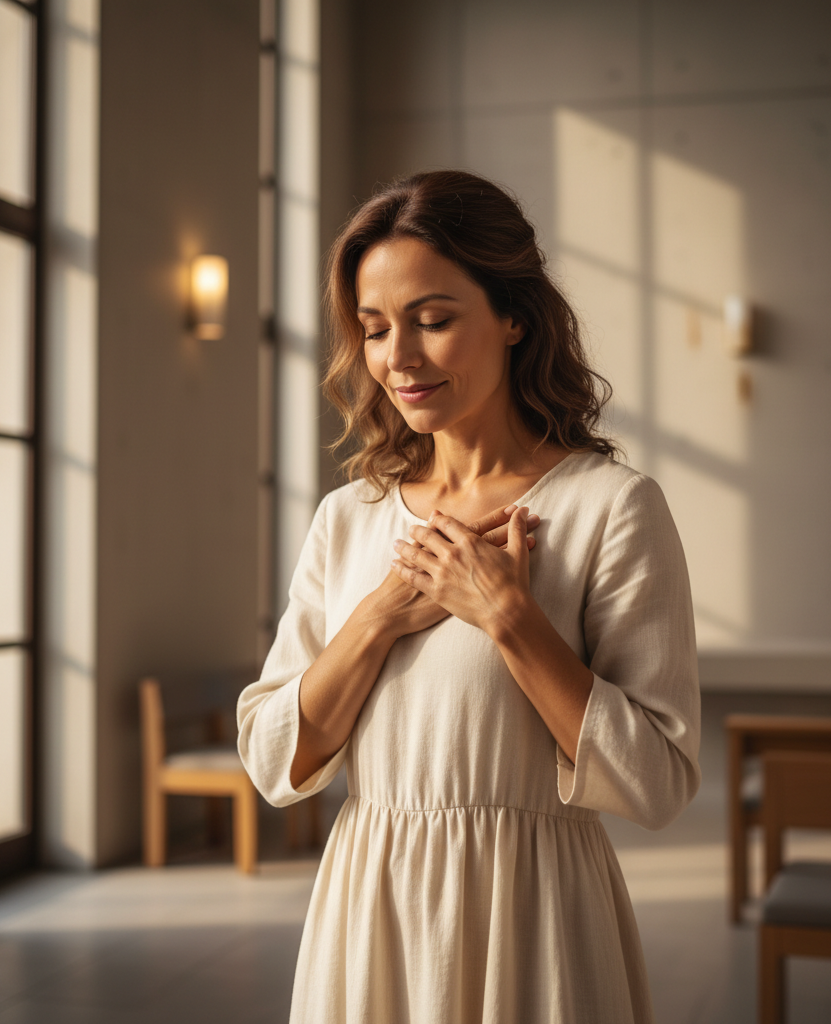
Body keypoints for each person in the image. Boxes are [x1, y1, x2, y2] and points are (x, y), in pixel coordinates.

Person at [237, 170, 700, 1024]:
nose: (398, 360)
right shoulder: (350, 518)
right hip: (367, 911)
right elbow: (273, 761)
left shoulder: (610, 507)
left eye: (434, 321)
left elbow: (659, 781)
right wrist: (381, 615)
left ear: (514, 316)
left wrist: (511, 618)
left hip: (537, 920)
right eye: (375, 331)